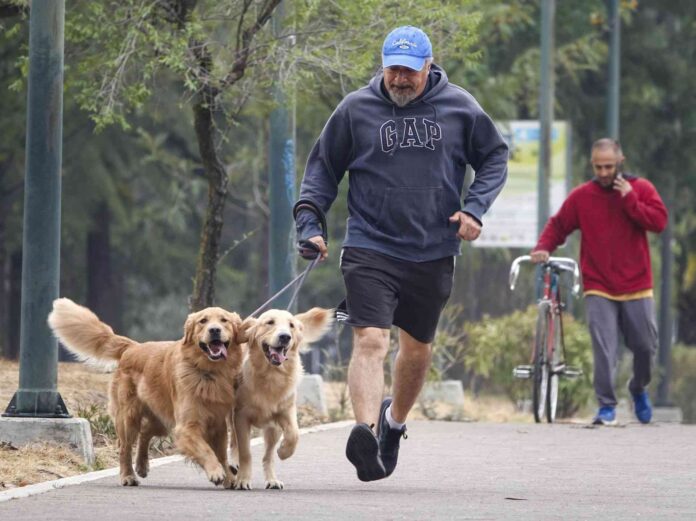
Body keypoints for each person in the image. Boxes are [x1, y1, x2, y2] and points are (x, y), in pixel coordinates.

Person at [293, 26, 508, 481]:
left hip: (433, 249)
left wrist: (475, 208)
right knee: (371, 339)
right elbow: (322, 170)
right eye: (393, 69)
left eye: (409, 71)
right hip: (370, 244)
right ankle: (365, 434)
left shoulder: (459, 107)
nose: (400, 79)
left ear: (429, 67)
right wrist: (310, 224)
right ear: (383, 64)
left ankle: (393, 424)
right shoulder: (356, 109)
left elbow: (494, 156)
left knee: (416, 350)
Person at [531, 138, 667, 426]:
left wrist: (631, 199)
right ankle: (606, 405)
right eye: (598, 166)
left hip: (637, 285)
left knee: (645, 347)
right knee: (603, 347)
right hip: (599, 285)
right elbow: (559, 225)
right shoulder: (583, 196)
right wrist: (544, 247)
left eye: (609, 166)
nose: (604, 172)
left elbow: (658, 222)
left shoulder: (641, 189)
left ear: (621, 162)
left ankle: (638, 388)